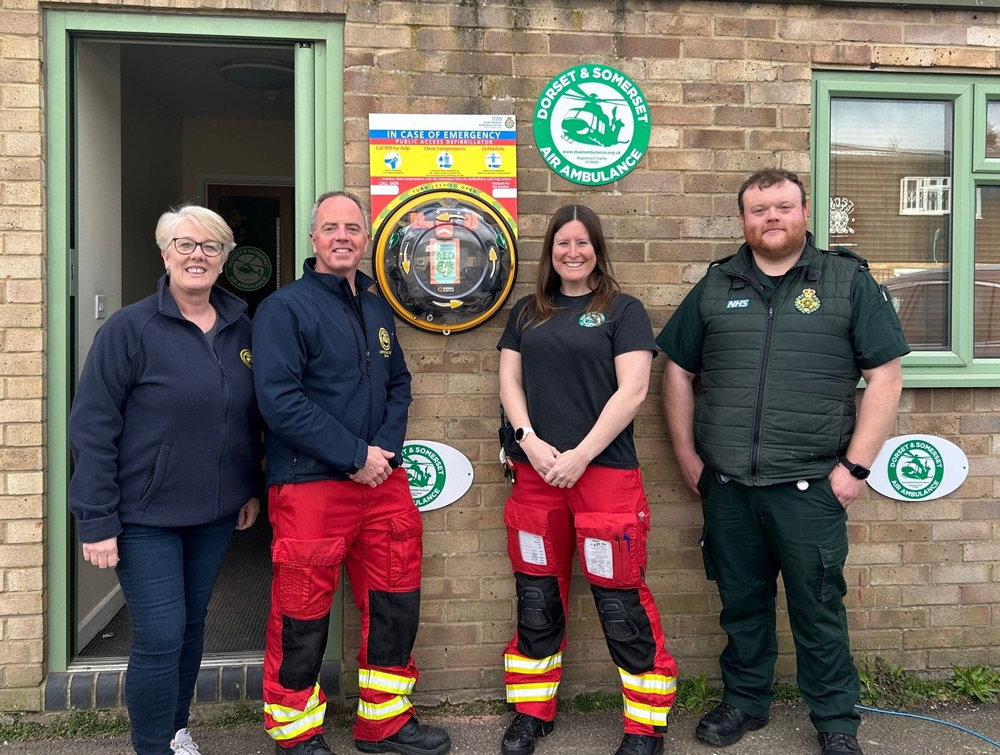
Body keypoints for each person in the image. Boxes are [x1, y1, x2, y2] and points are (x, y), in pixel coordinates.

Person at [657, 169, 909, 755]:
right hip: (729, 487)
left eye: (782, 207)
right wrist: (689, 457)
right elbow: (676, 369)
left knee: (817, 607)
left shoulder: (846, 282)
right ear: (743, 219)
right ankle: (745, 703)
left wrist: (856, 469)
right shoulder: (717, 284)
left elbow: (886, 376)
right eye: (758, 209)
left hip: (810, 487)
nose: (770, 217)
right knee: (741, 604)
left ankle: (836, 720)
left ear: (804, 214)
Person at [252, 191, 451, 755]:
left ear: (366, 239)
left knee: (394, 602)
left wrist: (381, 453)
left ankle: (384, 724)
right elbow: (280, 401)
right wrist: (354, 455)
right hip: (311, 483)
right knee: (302, 611)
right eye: (330, 227)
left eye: (353, 228)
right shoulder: (283, 309)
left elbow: (398, 385)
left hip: (382, 481)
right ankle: (295, 733)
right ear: (312, 239)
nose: (343, 236)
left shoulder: (374, 303)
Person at [68, 205, 262, 755]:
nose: (197, 255)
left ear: (224, 259)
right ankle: (152, 744)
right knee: (159, 635)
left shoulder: (242, 328)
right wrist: (97, 519)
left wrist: (247, 485)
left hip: (216, 513)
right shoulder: (130, 329)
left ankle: (177, 729)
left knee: (193, 625)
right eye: (185, 244)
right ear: (165, 254)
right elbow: (92, 427)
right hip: (143, 517)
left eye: (210, 246)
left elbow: (246, 418)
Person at [497, 205, 678, 755]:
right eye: (561, 244)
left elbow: (633, 391)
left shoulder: (624, 311)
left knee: (620, 600)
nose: (572, 253)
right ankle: (532, 713)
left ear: (597, 248)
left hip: (603, 477)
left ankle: (644, 726)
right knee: (536, 596)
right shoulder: (528, 312)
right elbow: (509, 378)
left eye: (582, 243)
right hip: (535, 476)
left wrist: (579, 456)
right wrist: (526, 438)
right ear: (549, 251)